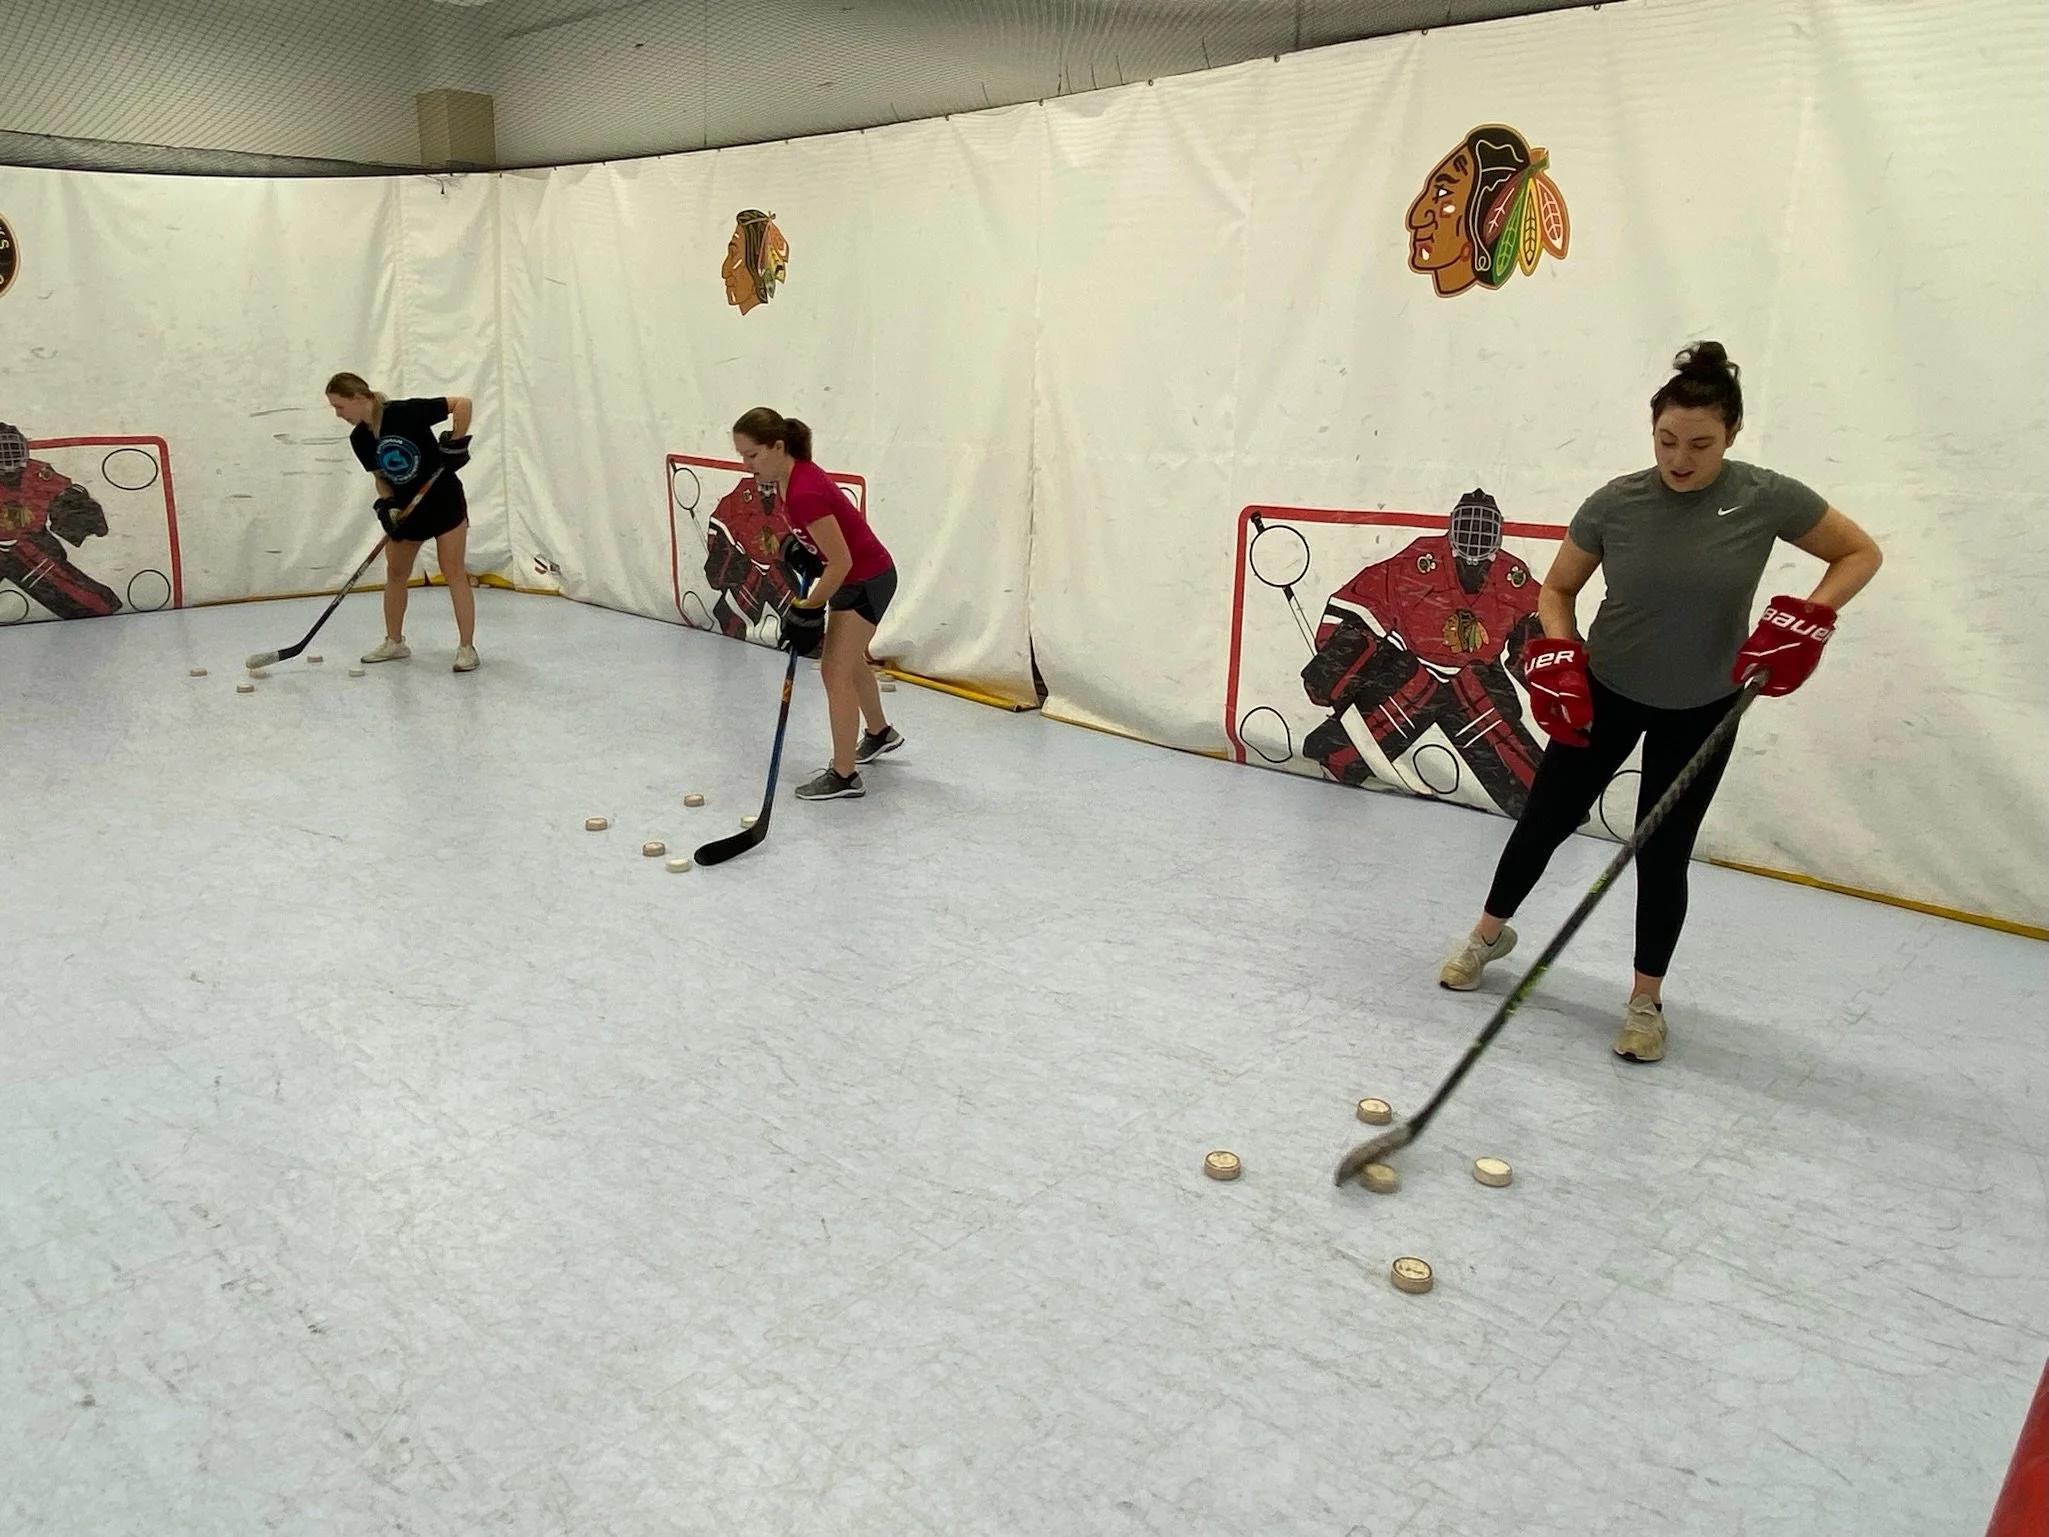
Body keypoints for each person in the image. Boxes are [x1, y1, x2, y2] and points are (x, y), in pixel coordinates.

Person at [1436, 342, 1882, 1062]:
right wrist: (1559, 650)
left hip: (1703, 704)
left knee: (1661, 852)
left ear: (1730, 435)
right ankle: (1487, 935)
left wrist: (1810, 616)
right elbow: (1557, 589)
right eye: (1666, 440)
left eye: (1700, 444)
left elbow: (1858, 553)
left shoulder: (1765, 496)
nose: (1680, 457)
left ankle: (1645, 1002)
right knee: (1543, 820)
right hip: (1604, 691)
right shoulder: (1616, 502)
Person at [731, 407, 901, 801]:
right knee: (849, 661)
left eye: (752, 455)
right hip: (854, 575)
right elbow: (833, 543)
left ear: (778, 446)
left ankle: (844, 776)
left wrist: (806, 607)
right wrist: (803, 546)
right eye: (741, 455)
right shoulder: (791, 477)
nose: (746, 464)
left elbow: (841, 561)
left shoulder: (803, 489)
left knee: (833, 672)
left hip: (867, 580)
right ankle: (879, 734)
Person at [324, 372, 478, 672]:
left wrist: (456, 443)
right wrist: (388, 505)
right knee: (395, 572)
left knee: (453, 571)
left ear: (358, 398)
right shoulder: (360, 438)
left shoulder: (404, 412)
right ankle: (395, 642)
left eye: (339, 407)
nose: (338, 414)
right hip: (410, 509)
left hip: (444, 501)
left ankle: (466, 648)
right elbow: (381, 479)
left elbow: (463, 403)